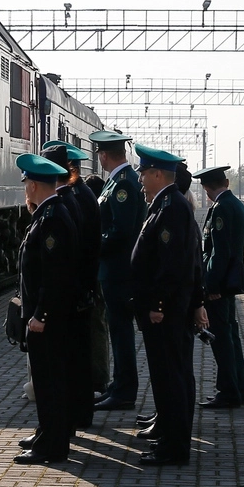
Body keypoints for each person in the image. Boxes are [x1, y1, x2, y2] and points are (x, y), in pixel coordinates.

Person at [130, 145, 206, 466]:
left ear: (158, 174)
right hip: (169, 309)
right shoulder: (166, 204)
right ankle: (171, 439)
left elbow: (173, 265)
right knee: (170, 376)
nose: (141, 180)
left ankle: (174, 448)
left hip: (167, 311)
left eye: (144, 174)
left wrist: (158, 303)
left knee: (171, 377)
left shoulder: (171, 207)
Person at [13, 153, 79, 465]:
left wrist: (41, 314)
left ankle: (52, 446)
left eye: (27, 182)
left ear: (36, 185)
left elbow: (55, 275)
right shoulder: (47, 214)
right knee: (49, 380)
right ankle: (49, 434)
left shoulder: (52, 219)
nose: (25, 187)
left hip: (47, 320)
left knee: (49, 381)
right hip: (47, 317)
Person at [42, 142, 101, 430]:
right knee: (79, 357)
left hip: (74, 292)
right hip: (82, 290)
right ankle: (80, 413)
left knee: (70, 360)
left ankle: (72, 417)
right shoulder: (82, 195)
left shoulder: (67, 201)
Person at [89, 130, 146, 411]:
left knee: (122, 333)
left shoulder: (122, 184)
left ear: (103, 155)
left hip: (119, 271)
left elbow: (121, 231)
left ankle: (124, 391)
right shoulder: (118, 183)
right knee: (118, 331)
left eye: (99, 153)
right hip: (115, 270)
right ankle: (119, 385)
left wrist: (93, 245)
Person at [192, 164, 244, 408]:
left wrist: (211, 285)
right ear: (225, 182)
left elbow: (219, 252)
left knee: (222, 340)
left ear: (206, 188)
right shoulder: (236, 204)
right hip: (230, 282)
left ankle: (228, 392)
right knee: (231, 337)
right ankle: (237, 389)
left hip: (221, 284)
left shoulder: (221, 209)